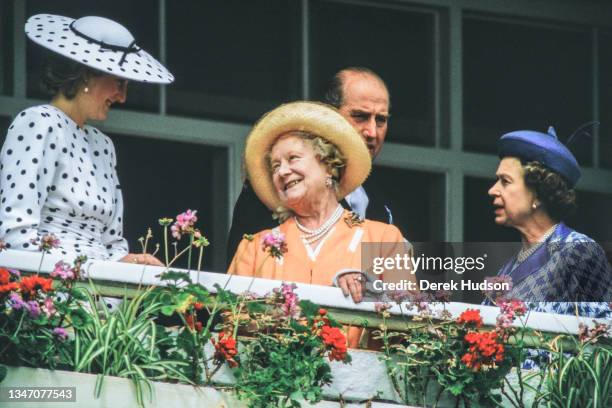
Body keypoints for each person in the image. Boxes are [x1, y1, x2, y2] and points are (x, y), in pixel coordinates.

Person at [0, 14, 171, 266]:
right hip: (55, 292)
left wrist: (130, 262)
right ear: (86, 76)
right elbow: (15, 231)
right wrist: (54, 290)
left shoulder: (103, 145)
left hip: (100, 292)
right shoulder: (38, 122)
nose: (122, 96)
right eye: (119, 82)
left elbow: (110, 243)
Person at [228, 101, 414, 308]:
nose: (282, 172)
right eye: (275, 166)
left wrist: (370, 292)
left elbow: (410, 320)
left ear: (328, 165)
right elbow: (230, 324)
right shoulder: (255, 248)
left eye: (293, 158)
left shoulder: (382, 238)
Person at [226, 67, 398, 266]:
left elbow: (410, 291)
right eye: (360, 116)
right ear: (330, 115)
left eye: (381, 120)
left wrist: (364, 284)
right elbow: (236, 288)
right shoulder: (271, 200)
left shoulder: (385, 214)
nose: (372, 132)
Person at [487, 126, 611, 318]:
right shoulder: (506, 270)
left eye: (505, 181)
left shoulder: (579, 251)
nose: (493, 190)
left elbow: (602, 333)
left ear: (538, 193)